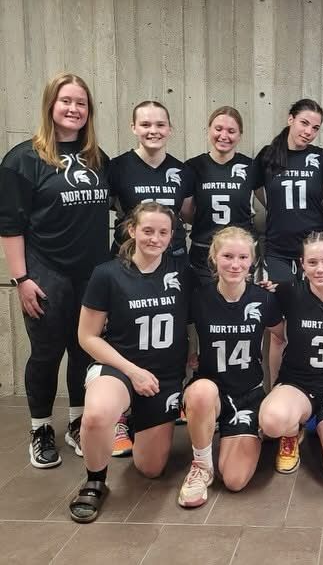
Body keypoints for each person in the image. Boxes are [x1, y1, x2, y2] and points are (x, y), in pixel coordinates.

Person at [0, 72, 110, 468]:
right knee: (46, 354)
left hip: (93, 275)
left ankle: (77, 423)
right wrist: (22, 279)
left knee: (86, 352)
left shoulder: (98, 157)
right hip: (46, 273)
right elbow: (10, 225)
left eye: (81, 103)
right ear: (51, 105)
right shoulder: (22, 159)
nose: (74, 109)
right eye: (66, 101)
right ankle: (41, 427)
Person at [70, 202, 193, 523]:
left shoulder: (182, 272)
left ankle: (137, 418)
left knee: (150, 469)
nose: (155, 238)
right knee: (97, 415)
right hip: (120, 368)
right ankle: (95, 480)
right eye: (148, 230)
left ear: (172, 236)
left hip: (164, 377)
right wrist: (132, 371)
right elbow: (88, 336)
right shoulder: (108, 274)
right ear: (132, 230)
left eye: (163, 232)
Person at [179, 226, 283, 507]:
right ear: (214, 257)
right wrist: (191, 351)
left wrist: (276, 389)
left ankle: (250, 430)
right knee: (200, 392)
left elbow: (280, 337)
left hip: (248, 393)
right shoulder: (199, 297)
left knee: (235, 481)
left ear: (252, 261)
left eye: (242, 257)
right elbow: (187, 328)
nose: (235, 264)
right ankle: (201, 466)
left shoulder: (264, 298)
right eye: (227, 256)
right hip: (211, 392)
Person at [258, 232, 323, 489]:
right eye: (313, 262)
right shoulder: (287, 292)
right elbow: (276, 338)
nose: (320, 269)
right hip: (298, 386)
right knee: (272, 421)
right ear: (302, 264)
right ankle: (291, 432)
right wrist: (274, 387)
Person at [254, 99, 323, 282]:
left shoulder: (321, 157)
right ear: (291, 119)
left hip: (313, 248)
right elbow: (256, 187)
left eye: (315, 128)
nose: (308, 132)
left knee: (311, 307)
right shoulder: (268, 154)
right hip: (278, 249)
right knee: (280, 302)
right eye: (304, 123)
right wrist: (277, 204)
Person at [108, 100, 194, 258]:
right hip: (129, 257)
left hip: (173, 256)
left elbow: (188, 215)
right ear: (134, 127)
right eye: (145, 125)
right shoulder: (116, 167)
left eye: (160, 125)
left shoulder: (183, 171)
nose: (153, 131)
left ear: (170, 129)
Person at [185, 107, 256, 284]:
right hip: (203, 251)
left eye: (231, 131)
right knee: (203, 307)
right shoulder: (193, 167)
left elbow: (270, 202)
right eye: (218, 129)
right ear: (209, 129)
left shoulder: (251, 167)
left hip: (238, 255)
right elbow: (186, 212)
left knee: (238, 306)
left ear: (240, 135)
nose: (224, 136)